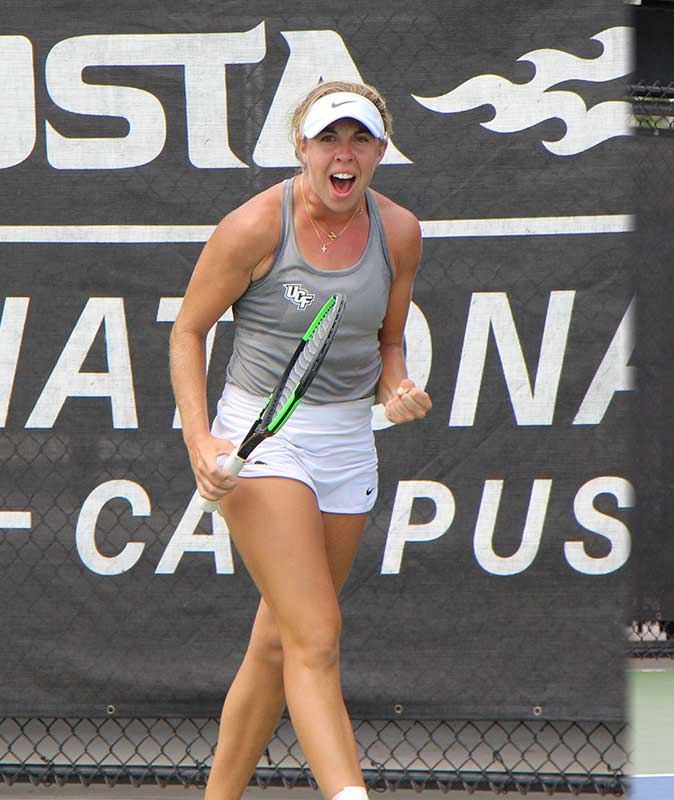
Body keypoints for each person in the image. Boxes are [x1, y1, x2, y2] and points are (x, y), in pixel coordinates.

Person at [169, 80, 432, 800]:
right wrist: (202, 442)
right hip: (262, 439)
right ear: (302, 147)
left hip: (347, 441)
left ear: (380, 150)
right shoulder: (254, 227)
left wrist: (397, 388)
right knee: (316, 636)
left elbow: (389, 343)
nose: (343, 154)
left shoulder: (400, 232)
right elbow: (188, 330)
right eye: (328, 139)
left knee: (278, 641)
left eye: (359, 139)